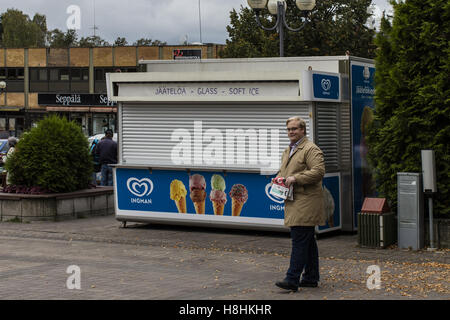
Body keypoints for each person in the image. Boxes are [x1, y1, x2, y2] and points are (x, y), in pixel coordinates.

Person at [274, 116, 326, 292]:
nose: (291, 132)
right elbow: (287, 171)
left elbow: (318, 172)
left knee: (299, 240)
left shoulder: (310, 149)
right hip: (294, 200)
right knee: (308, 241)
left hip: (306, 201)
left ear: (303, 130)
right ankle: (311, 278)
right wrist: (279, 178)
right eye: (289, 129)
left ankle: (292, 279)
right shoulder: (289, 149)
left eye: (295, 129)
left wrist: (295, 178)